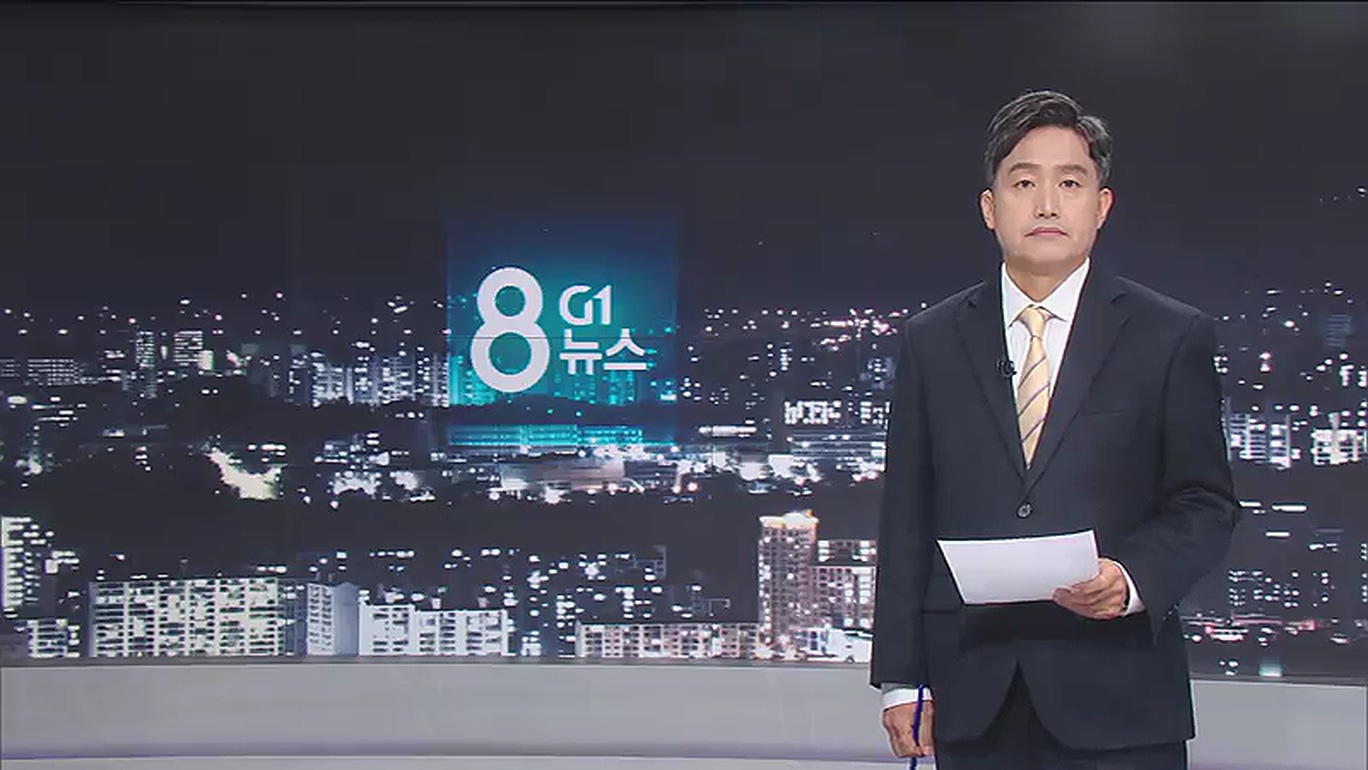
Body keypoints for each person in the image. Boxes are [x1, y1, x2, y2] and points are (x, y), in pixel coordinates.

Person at [869, 89, 1241, 770]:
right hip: (972, 697)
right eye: (1024, 183)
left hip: (1122, 699)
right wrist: (901, 679)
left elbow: (1206, 502)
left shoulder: (1170, 336)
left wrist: (1132, 578)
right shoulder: (932, 340)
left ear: (1101, 205)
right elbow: (906, 519)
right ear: (990, 208)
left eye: (1069, 183)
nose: (1046, 204)